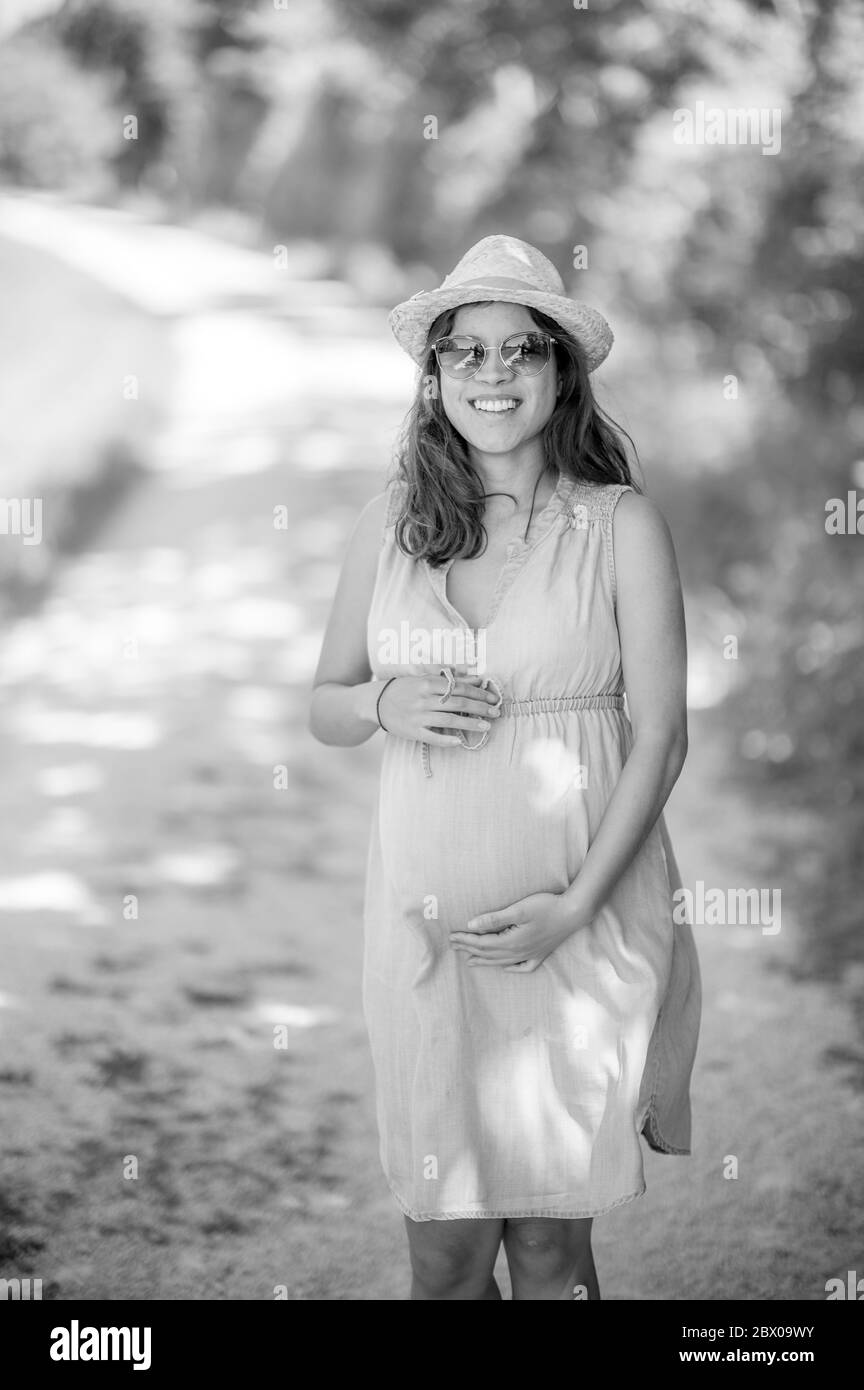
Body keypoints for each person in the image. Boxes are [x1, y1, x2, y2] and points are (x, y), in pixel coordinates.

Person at [309, 235, 701, 1300]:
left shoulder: (620, 526)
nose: (493, 374)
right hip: (424, 937)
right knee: (442, 1256)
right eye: (466, 352)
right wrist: (381, 700)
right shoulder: (390, 527)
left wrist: (573, 910)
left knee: (549, 1250)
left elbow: (661, 737)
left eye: (519, 349)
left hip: (583, 924)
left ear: (560, 373)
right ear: (433, 378)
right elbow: (325, 704)